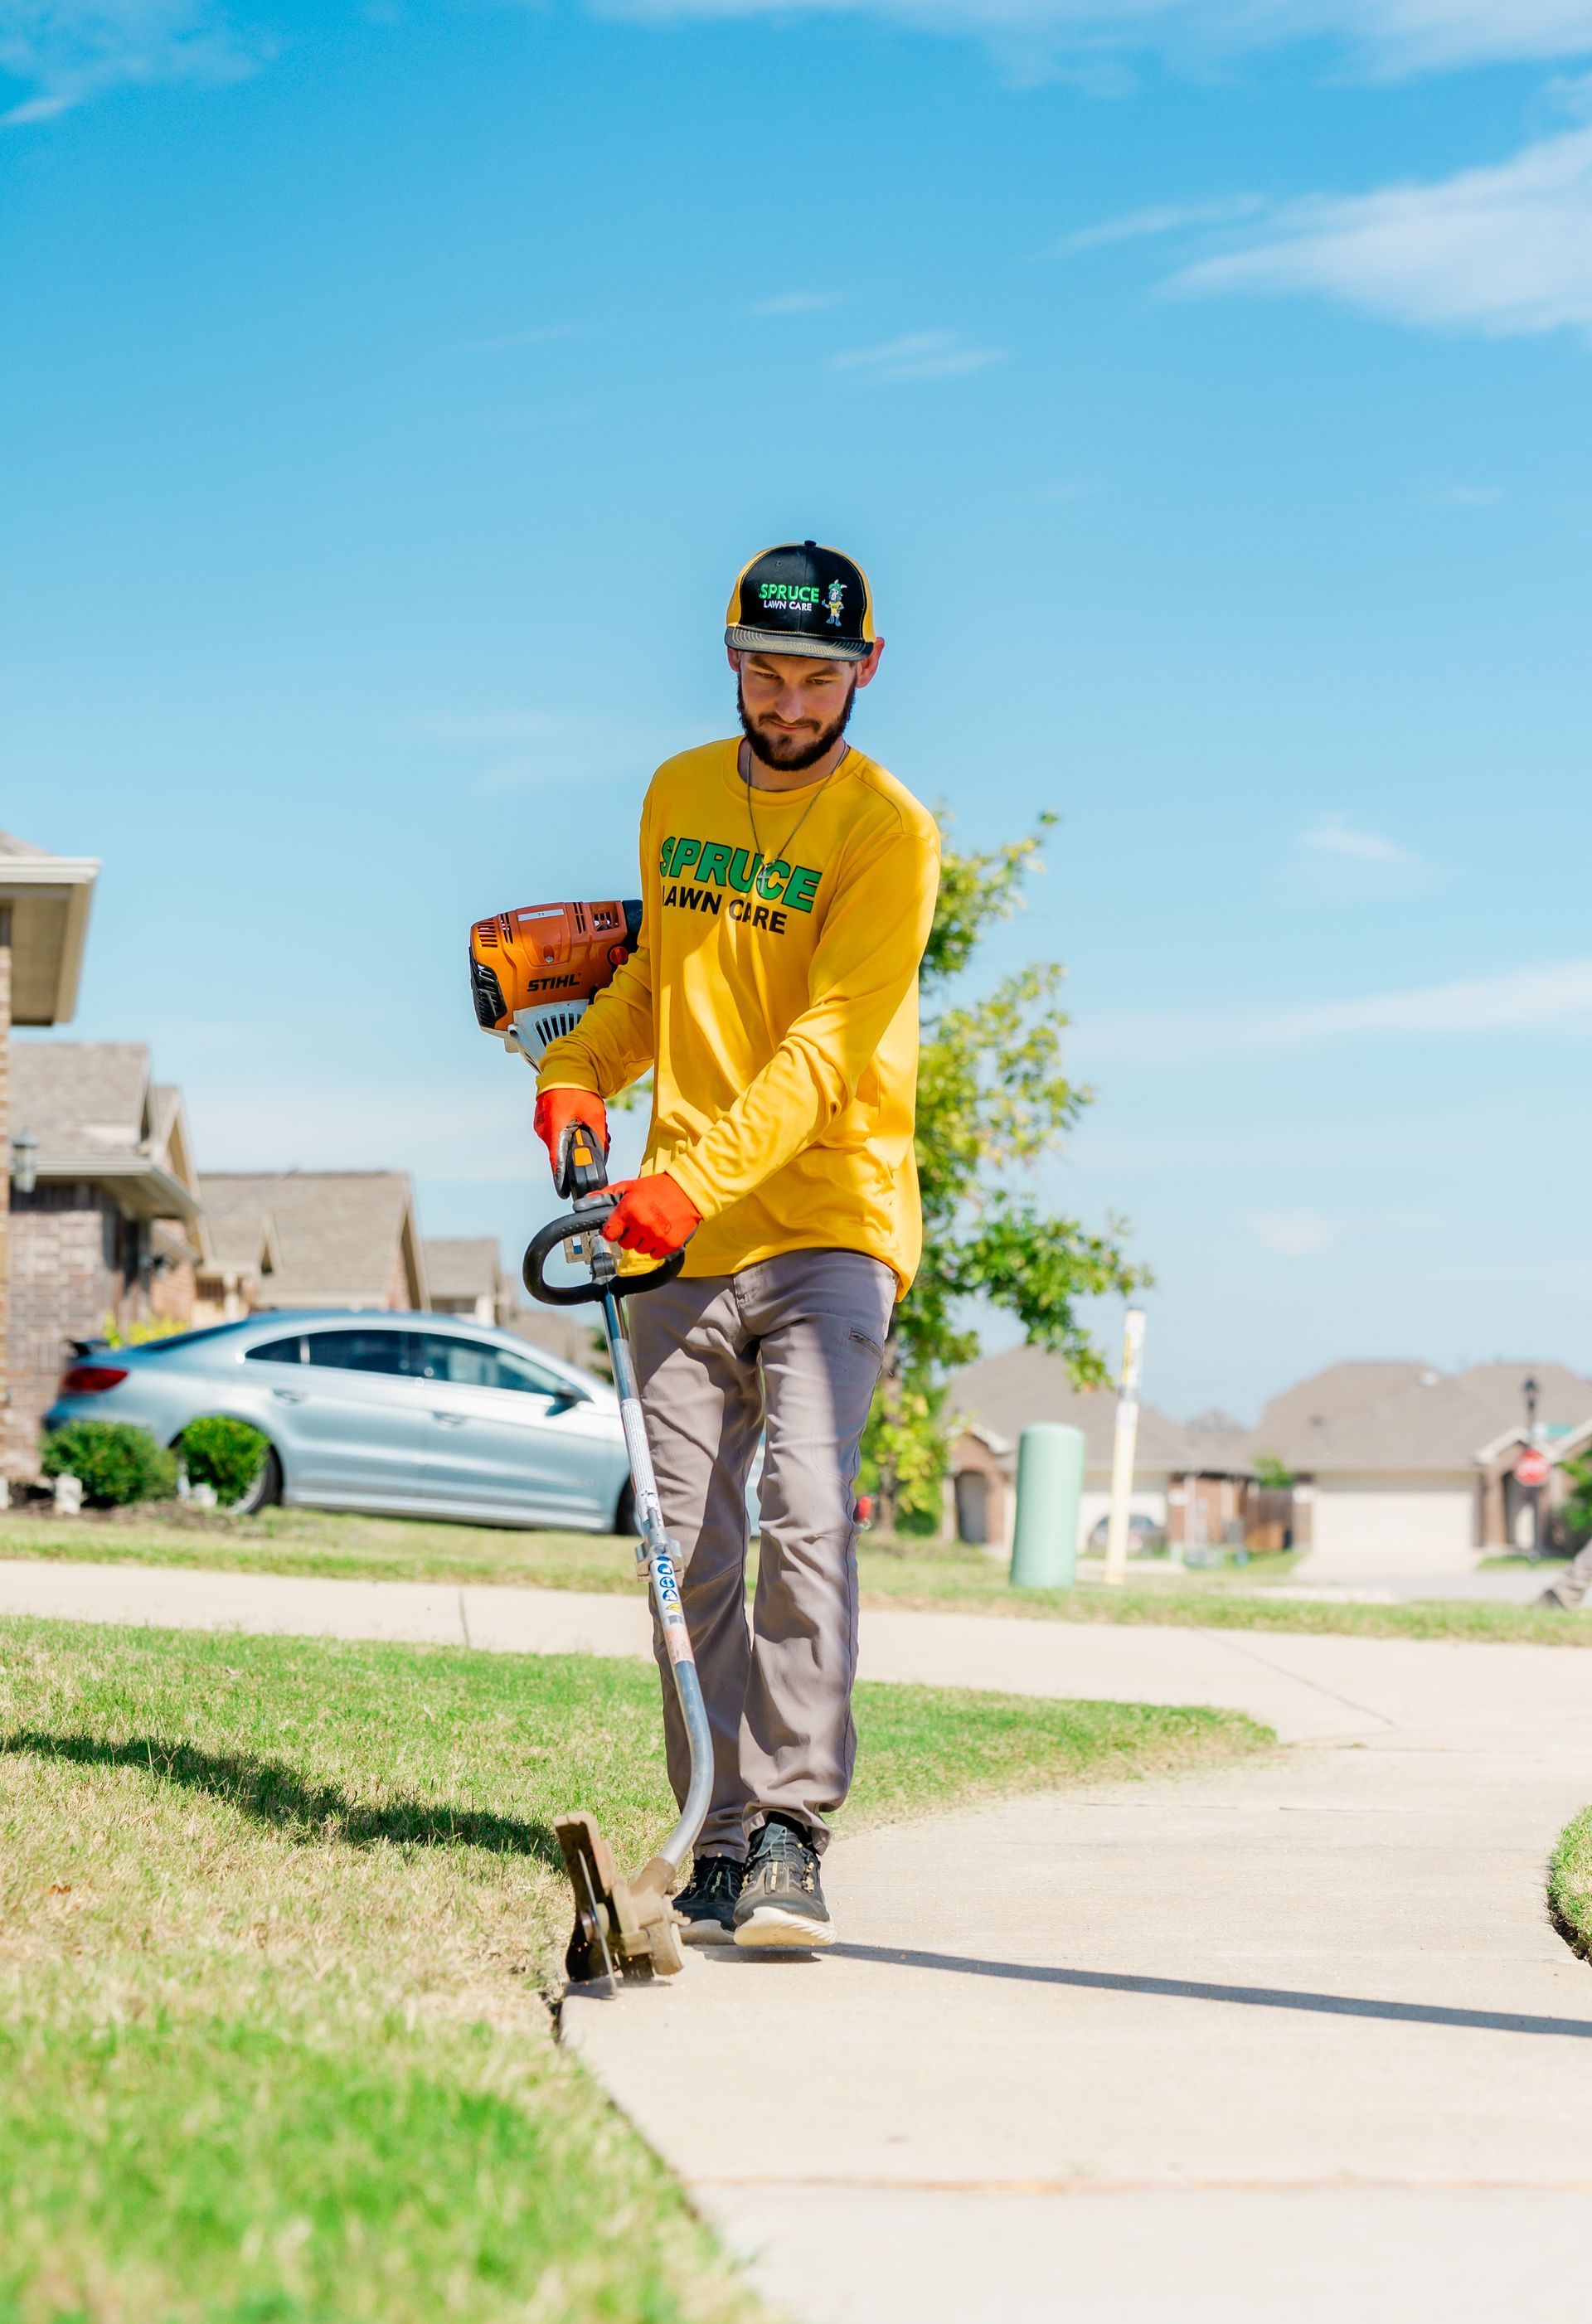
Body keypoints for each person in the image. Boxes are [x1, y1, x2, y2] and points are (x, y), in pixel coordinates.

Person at [534, 540, 940, 1948]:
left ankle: (789, 1829)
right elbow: (663, 971)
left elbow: (832, 1043)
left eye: (816, 676)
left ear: (864, 672)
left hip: (828, 1217)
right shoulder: (678, 791)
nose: (787, 700)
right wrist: (580, 1066)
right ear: (730, 660)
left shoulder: (887, 830)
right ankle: (711, 1831)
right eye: (765, 671)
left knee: (804, 1514)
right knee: (681, 1539)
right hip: (679, 1231)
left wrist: (690, 1178)